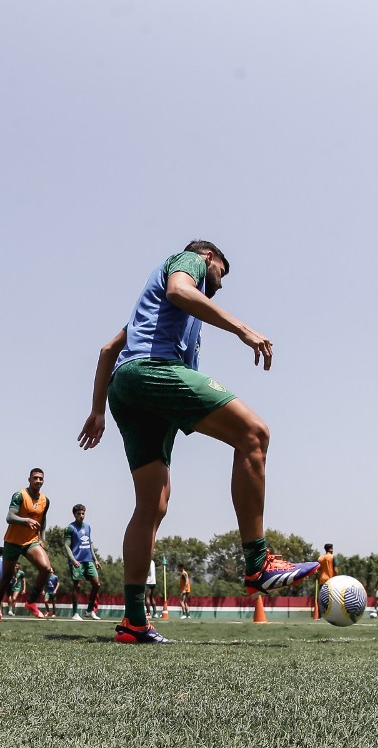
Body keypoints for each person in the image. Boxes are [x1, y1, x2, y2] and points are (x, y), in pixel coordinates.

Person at [77, 240, 319, 644]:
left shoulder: (153, 313)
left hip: (127, 388)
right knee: (255, 434)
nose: (217, 286)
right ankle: (258, 562)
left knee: (151, 504)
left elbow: (107, 350)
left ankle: (134, 622)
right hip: (154, 372)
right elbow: (179, 290)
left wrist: (98, 410)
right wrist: (243, 329)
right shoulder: (186, 262)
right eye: (220, 275)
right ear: (209, 258)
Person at [0, 468, 53, 621]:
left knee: (46, 569)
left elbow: (42, 520)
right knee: (7, 577)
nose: (38, 481)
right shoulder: (19, 495)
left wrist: (42, 538)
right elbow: (9, 517)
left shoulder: (45, 500)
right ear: (29, 479)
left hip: (31, 541)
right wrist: (25, 520)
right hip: (12, 541)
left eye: (41, 479)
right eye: (35, 478)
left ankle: (31, 602)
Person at [63, 504, 103, 621]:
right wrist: (73, 559)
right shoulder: (70, 528)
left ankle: (90, 611)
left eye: (83, 513)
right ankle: (75, 613)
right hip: (77, 561)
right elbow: (66, 546)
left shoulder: (88, 527)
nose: (81, 516)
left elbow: (90, 544)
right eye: (79, 514)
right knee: (77, 586)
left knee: (96, 584)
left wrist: (95, 559)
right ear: (74, 514)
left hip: (88, 560)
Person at [315, 544, 336, 618]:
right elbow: (335, 570)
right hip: (330, 581)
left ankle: (319, 616)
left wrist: (318, 578)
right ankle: (330, 615)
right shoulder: (333, 557)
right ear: (331, 549)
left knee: (321, 598)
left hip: (322, 580)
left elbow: (317, 571)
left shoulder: (320, 558)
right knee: (332, 599)